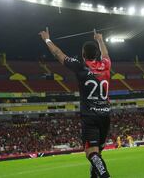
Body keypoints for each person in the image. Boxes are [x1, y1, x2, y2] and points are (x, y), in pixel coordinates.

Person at [39, 28, 111, 178]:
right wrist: (100, 39)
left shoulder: (80, 66)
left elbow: (58, 54)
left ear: (83, 55)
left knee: (92, 154)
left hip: (90, 117)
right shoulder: (106, 65)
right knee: (98, 153)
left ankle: (105, 176)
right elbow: (106, 54)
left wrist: (47, 39)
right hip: (105, 115)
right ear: (97, 54)